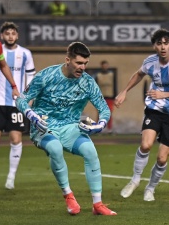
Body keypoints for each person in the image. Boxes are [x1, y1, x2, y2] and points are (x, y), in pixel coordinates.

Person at [14, 42, 116, 215]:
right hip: (44, 126)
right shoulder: (46, 76)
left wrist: (101, 124)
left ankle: (97, 204)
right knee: (55, 148)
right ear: (68, 60)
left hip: (71, 128)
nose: (82, 67)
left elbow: (104, 108)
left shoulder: (87, 82)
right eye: (78, 63)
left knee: (91, 151)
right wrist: (32, 115)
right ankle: (68, 195)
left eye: (85, 63)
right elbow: (20, 99)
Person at [117, 29, 169, 201]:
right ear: (154, 46)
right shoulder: (150, 62)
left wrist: (164, 95)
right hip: (155, 109)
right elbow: (139, 74)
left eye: (166, 43)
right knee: (145, 145)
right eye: (159, 43)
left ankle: (150, 188)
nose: (162, 47)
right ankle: (135, 179)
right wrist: (124, 91)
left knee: (161, 157)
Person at [0, 22, 35, 190]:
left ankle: (11, 176)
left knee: (16, 138)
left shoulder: (25, 54)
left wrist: (28, 98)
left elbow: (30, 76)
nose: (10, 36)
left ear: (17, 36)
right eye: (7, 33)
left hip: (16, 103)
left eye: (13, 33)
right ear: (2, 36)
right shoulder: (0, 51)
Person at [94, 60, 115, 132]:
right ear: (101, 66)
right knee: (100, 113)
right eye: (104, 65)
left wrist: (115, 96)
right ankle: (99, 128)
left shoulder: (111, 75)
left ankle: (109, 129)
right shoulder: (98, 75)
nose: (105, 67)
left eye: (106, 65)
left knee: (109, 113)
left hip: (110, 96)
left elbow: (115, 86)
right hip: (101, 97)